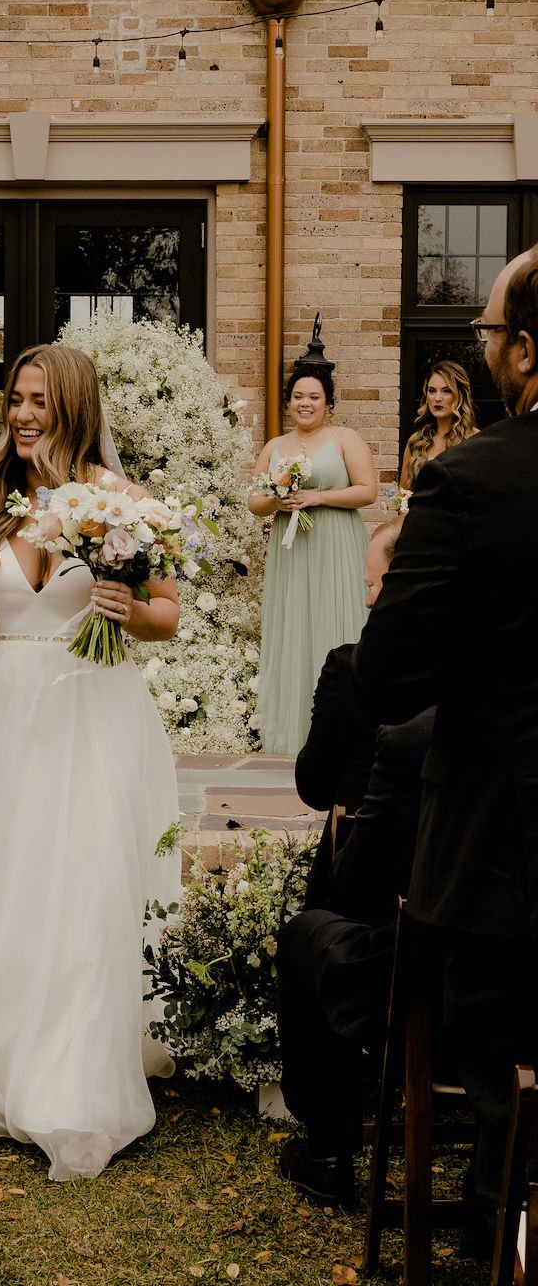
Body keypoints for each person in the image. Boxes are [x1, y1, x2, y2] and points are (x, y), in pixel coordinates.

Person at [0, 343, 182, 1182]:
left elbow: (169, 614)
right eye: (15, 399)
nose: (21, 415)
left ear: (74, 407)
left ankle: (70, 1072)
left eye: (39, 403)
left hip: (90, 705)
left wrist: (131, 609)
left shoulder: (123, 503)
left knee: (78, 881)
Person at [351, 249, 538, 1244]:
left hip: (502, 834)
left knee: (497, 1020)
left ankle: (497, 1211)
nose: (487, 347)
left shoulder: (471, 480)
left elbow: (387, 672)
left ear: (528, 351)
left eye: (492, 332)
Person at [277, 707, 436, 1211]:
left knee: (309, 933)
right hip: (517, 1005)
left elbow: (354, 883)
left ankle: (327, 1151)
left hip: (436, 1004)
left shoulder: (415, 741)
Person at [247, 363, 376, 755]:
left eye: (314, 397)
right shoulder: (275, 447)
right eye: (298, 397)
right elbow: (254, 502)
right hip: (293, 551)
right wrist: (277, 499)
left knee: (336, 624)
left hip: (335, 543)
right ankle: (295, 734)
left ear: (328, 403)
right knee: (296, 626)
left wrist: (318, 497)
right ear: (288, 402)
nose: (305, 404)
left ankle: (347, 734)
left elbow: (368, 490)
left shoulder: (344, 438)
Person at [294, 516, 403, 819]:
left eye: (372, 584)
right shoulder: (482, 667)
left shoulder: (348, 669)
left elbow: (314, 785)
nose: (368, 601)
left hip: (368, 847)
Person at [398, 358, 478, 490]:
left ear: (460, 395)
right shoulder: (416, 441)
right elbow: (403, 495)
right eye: (432, 390)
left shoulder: (475, 440)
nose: (437, 398)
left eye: (446, 391)